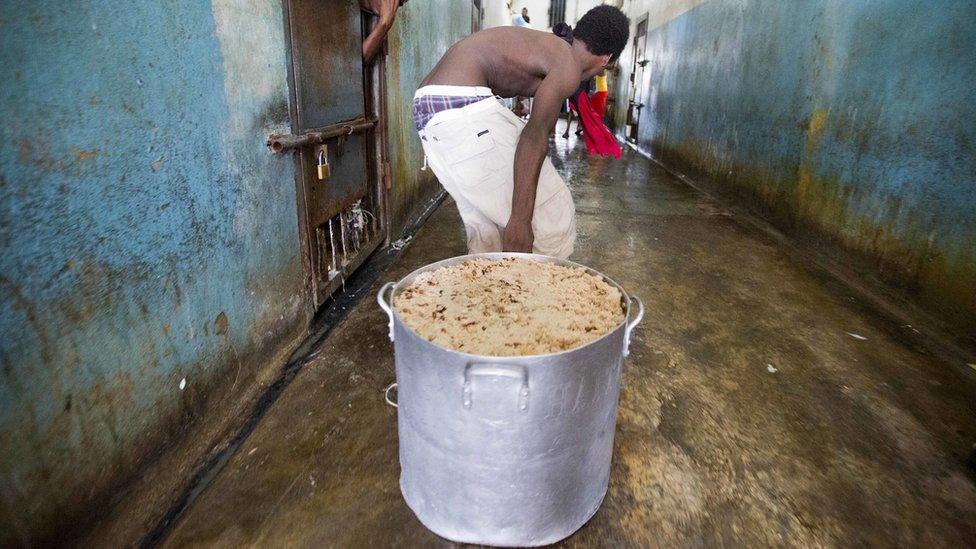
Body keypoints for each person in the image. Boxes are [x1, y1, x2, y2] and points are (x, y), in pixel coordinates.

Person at [412, 6, 629, 258]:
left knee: (488, 229)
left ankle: (490, 290)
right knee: (552, 213)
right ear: (606, 59)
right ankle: (543, 292)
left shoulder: (551, 46)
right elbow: (534, 136)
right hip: (461, 103)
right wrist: (520, 221)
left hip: (430, 112)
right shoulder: (567, 63)